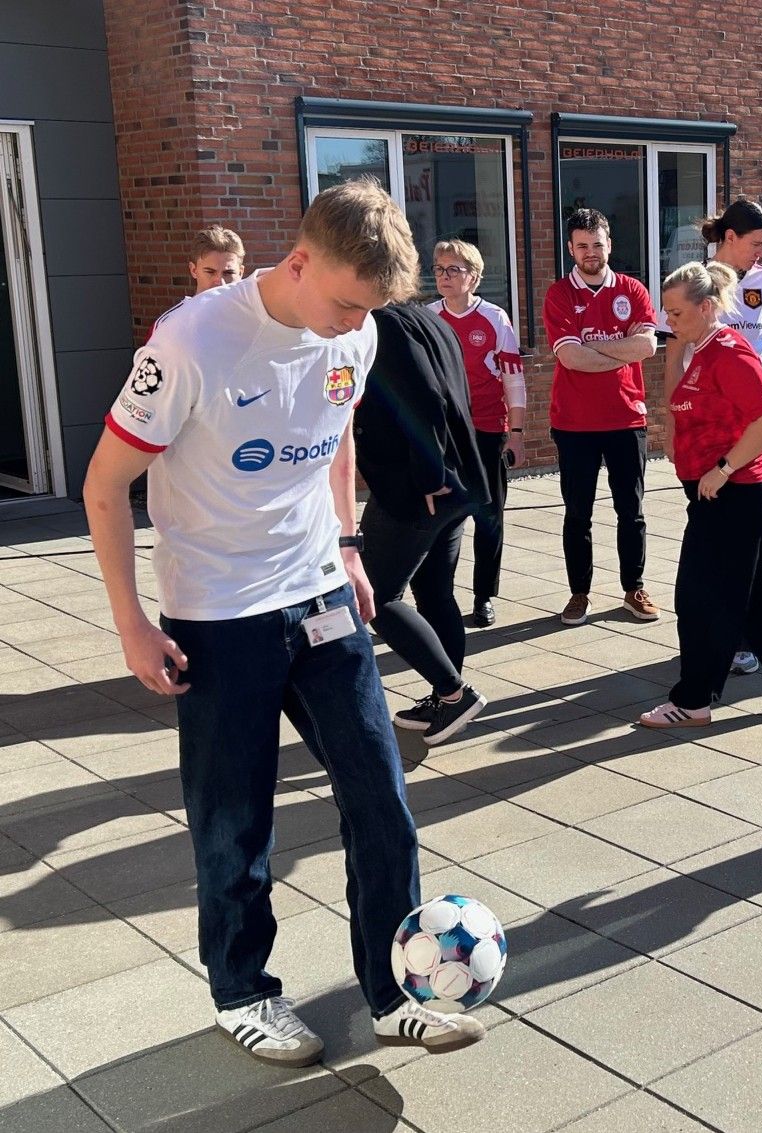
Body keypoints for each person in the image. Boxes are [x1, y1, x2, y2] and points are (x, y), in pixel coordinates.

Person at [82, 179, 485, 1065]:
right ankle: (244, 991)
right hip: (217, 613)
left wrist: (345, 545)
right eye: (344, 302)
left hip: (320, 597)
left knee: (381, 797)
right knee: (236, 820)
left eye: (367, 310)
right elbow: (104, 483)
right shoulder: (192, 338)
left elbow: (334, 432)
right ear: (297, 262)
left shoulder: (361, 330)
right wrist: (130, 625)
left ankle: (396, 990)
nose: (352, 323)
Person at [638, 260, 762, 728]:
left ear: (707, 308)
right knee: (755, 593)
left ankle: (693, 700)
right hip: (724, 494)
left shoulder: (729, 351)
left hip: (737, 494)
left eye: (677, 313)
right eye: (666, 313)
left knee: (702, 596)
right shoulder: (699, 350)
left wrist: (723, 469)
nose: (669, 322)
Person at [662, 197, 762, 677]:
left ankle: (748, 638)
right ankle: (735, 640)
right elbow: (674, 356)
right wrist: (673, 419)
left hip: (758, 417)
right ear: (729, 239)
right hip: (710, 423)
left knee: (752, 536)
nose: (761, 253)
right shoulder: (692, 285)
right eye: (756, 244)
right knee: (719, 537)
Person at [355, 301, 491, 746]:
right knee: (434, 593)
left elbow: (426, 398)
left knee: (375, 595)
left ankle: (453, 694)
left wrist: (430, 475)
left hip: (420, 488)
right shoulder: (427, 318)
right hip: (456, 483)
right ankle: (446, 696)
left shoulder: (383, 326)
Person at [543, 208, 660, 627]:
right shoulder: (560, 294)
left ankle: (634, 587)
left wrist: (600, 350)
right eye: (582, 246)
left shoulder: (633, 289)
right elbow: (570, 358)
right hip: (574, 424)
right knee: (578, 514)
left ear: (609, 244)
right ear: (571, 249)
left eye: (597, 244)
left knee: (632, 510)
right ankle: (579, 594)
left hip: (627, 418)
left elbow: (647, 347)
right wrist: (620, 345)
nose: (590, 252)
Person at [427, 239, 526, 627]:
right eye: (439, 269)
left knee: (488, 517)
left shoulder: (495, 319)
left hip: (486, 432)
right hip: (444, 437)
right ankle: (437, 595)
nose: (444, 276)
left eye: (454, 270)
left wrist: (516, 433)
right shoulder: (428, 317)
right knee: (443, 518)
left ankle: (484, 595)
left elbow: (513, 380)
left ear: (474, 276)